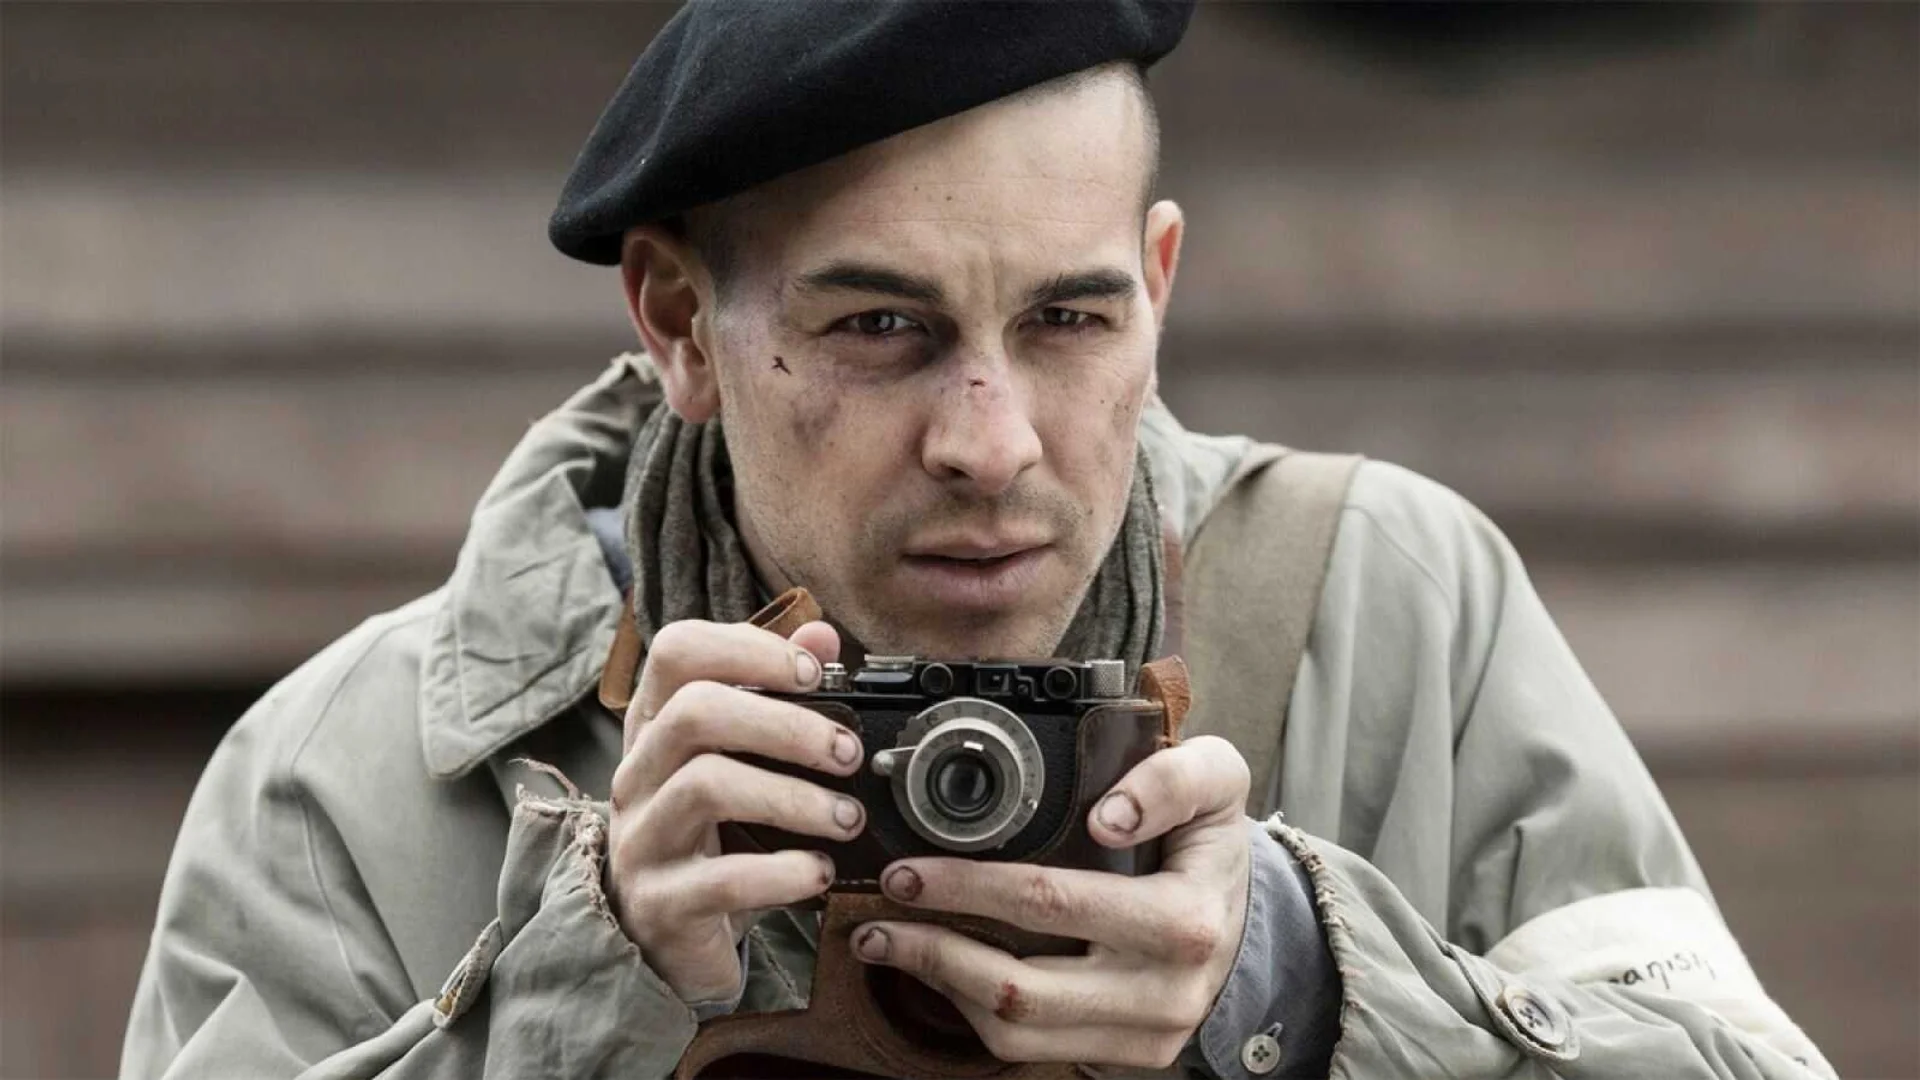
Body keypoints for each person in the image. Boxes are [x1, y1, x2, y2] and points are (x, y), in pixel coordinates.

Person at [121, 2, 1834, 1078]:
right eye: (880, 329)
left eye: (1073, 322)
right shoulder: (351, 779)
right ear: (679, 322)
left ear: (1159, 285)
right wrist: (590, 998)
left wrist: (1302, 990)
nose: (991, 443)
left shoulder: (1382, 610)